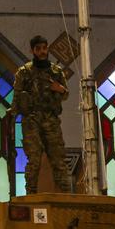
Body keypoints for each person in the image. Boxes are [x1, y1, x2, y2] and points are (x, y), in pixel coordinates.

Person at [13, 34, 73, 194]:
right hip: (31, 120)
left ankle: (66, 196)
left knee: (59, 160)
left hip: (51, 120)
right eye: (38, 49)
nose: (42, 51)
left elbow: (65, 94)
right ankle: (31, 194)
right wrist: (11, 116)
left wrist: (59, 89)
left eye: (44, 48)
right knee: (34, 160)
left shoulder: (56, 71)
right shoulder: (24, 72)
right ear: (32, 50)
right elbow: (17, 98)